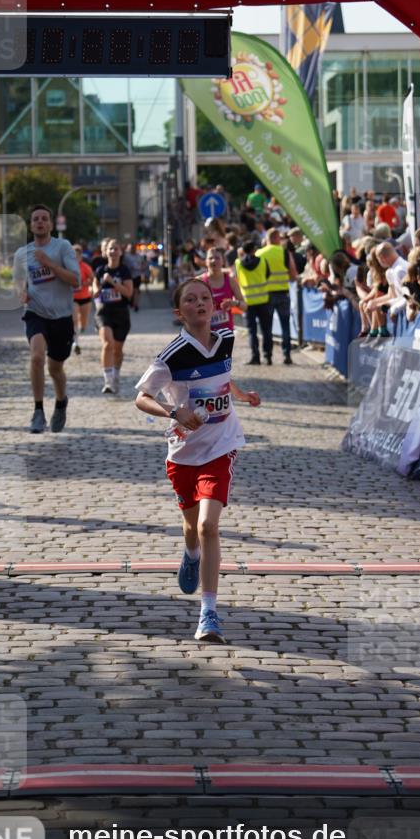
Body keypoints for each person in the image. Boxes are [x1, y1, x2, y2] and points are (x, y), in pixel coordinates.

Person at [134, 277, 260, 644]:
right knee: (192, 530)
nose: (201, 303)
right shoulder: (172, 355)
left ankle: (209, 614)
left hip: (220, 448)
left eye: (205, 298)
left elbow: (224, 376)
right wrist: (174, 412)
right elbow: (141, 398)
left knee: (208, 527)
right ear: (179, 312)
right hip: (183, 454)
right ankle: (190, 553)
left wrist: (240, 394)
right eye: (191, 299)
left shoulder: (226, 341)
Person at [13, 204, 80, 433]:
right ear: (31, 225)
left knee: (55, 369)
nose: (40, 222)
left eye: (44, 218)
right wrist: (21, 292)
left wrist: (49, 263)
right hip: (35, 313)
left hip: (61, 317)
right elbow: (18, 283)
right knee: (36, 357)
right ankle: (38, 411)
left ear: (50, 224)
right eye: (35, 219)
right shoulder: (22, 254)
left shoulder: (63, 247)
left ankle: (61, 402)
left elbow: (75, 280)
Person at [93, 238, 133, 394]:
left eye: (116, 249)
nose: (113, 252)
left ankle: (116, 374)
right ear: (106, 252)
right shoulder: (100, 270)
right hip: (104, 312)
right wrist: (98, 286)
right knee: (107, 344)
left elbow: (128, 293)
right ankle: (108, 381)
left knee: (117, 350)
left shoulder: (124, 271)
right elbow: (94, 289)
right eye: (110, 249)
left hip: (121, 314)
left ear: (120, 252)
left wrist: (113, 283)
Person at [256, 227, 297, 364]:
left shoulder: (259, 253)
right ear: (276, 238)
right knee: (285, 326)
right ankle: (287, 355)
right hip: (283, 294)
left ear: (267, 239)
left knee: (266, 327)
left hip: (265, 296)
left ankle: (267, 356)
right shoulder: (284, 252)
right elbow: (293, 274)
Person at [235, 240, 272, 365]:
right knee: (266, 330)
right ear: (254, 249)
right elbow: (268, 275)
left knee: (252, 331)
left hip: (247, 301)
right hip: (263, 300)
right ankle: (268, 356)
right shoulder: (262, 261)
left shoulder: (238, 263)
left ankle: (255, 357)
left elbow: (237, 279)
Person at [200, 247, 246, 331]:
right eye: (210, 258)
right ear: (206, 262)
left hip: (226, 333)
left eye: (217, 258)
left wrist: (234, 303)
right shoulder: (199, 281)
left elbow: (244, 306)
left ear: (223, 261)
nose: (214, 261)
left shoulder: (231, 281)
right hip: (205, 333)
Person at [71, 243, 94, 354]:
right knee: (74, 320)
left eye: (77, 255)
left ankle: (81, 329)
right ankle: (76, 342)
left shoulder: (85, 267)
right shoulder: (67, 267)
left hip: (85, 297)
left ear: (81, 256)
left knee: (83, 322)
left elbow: (92, 279)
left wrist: (85, 282)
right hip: (72, 298)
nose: (75, 258)